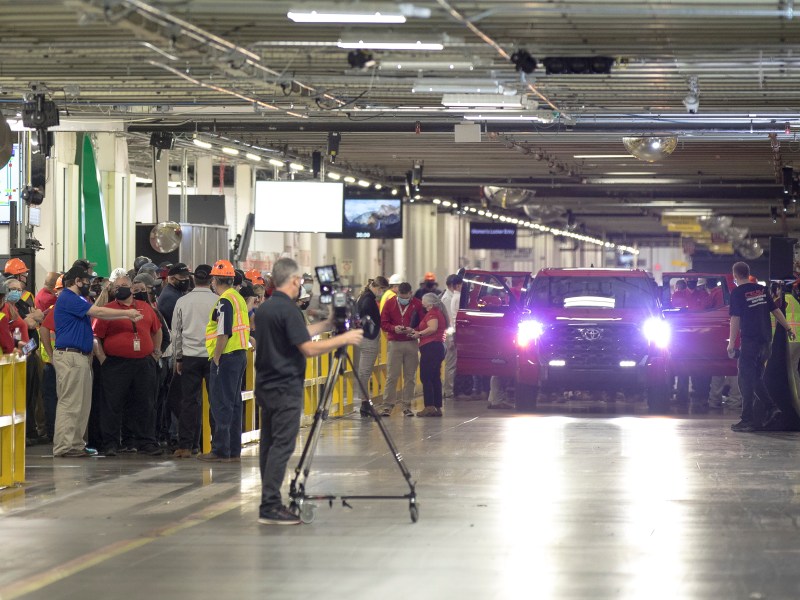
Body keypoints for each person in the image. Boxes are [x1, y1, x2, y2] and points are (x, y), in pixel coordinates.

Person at [253, 257, 363, 525]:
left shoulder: (266, 308)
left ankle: (268, 501)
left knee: (269, 444)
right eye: (300, 280)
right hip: (285, 387)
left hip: (265, 385)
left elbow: (297, 335)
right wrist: (345, 338)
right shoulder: (289, 310)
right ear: (293, 281)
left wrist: (326, 326)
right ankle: (270, 505)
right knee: (282, 445)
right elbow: (308, 348)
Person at [52, 264, 142, 458]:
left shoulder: (78, 298)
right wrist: (126, 313)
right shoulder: (69, 298)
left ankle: (75, 444)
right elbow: (99, 313)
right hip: (71, 357)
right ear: (76, 281)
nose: (89, 284)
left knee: (81, 405)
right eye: (86, 281)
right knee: (70, 403)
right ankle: (64, 446)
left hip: (80, 357)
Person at [93, 275, 163, 456]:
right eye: (117, 287)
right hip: (116, 364)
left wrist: (155, 353)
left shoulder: (145, 308)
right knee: (112, 404)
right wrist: (102, 359)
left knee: (145, 403)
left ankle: (146, 441)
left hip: (143, 363)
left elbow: (157, 330)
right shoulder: (107, 310)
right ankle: (110, 443)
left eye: (124, 285)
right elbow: (96, 337)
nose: (120, 289)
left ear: (132, 288)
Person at [728, 261, 795, 432]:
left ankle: (747, 420)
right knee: (756, 378)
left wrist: (731, 343)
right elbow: (776, 310)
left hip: (750, 342)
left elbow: (735, 319)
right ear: (748, 273)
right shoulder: (762, 289)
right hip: (766, 342)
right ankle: (772, 408)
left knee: (745, 380)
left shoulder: (736, 292)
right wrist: (788, 328)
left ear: (735, 275)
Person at [197, 259, 250, 462]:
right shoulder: (238, 298)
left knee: (221, 404)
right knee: (234, 404)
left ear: (215, 280)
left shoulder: (224, 301)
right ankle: (232, 450)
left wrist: (216, 357)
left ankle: (220, 450)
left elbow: (223, 332)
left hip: (226, 357)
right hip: (239, 355)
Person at [172, 264, 217, 458]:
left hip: (189, 357)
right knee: (215, 402)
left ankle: (186, 446)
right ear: (211, 279)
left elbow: (176, 333)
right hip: (213, 356)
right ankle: (217, 445)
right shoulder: (218, 301)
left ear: (193, 279)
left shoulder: (183, 301)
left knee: (189, 402)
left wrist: (178, 358)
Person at [379, 281, 425, 417]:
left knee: (410, 377)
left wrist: (414, 330)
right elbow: (383, 322)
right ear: (397, 293)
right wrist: (393, 328)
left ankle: (407, 405)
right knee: (392, 376)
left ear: (411, 294)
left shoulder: (417, 304)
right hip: (395, 343)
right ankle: (387, 406)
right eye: (400, 296)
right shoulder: (390, 303)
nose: (403, 299)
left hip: (411, 342)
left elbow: (423, 322)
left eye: (405, 297)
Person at [354, 276, 389, 416]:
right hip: (369, 339)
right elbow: (367, 319)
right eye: (382, 290)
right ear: (379, 288)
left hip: (364, 337)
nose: (382, 293)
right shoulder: (368, 300)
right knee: (365, 372)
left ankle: (365, 402)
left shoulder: (363, 296)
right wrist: (372, 333)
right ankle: (364, 403)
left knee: (364, 371)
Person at [409, 293, 448, 416]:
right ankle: (437, 406)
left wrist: (419, 334)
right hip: (437, 347)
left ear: (429, 304)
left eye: (424, 301)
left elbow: (432, 328)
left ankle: (429, 406)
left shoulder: (432, 313)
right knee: (435, 377)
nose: (422, 303)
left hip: (431, 347)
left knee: (426, 377)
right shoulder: (438, 312)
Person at [441, 274, 462, 399]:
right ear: (454, 285)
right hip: (450, 334)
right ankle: (448, 390)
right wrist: (452, 338)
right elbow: (450, 319)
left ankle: (449, 389)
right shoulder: (448, 299)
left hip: (451, 333)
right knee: (450, 363)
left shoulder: (450, 297)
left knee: (452, 362)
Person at [157, 262, 191, 328]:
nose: (186, 279)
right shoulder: (169, 297)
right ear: (172, 279)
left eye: (187, 276)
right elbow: (177, 322)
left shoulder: (176, 292)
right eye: (182, 277)